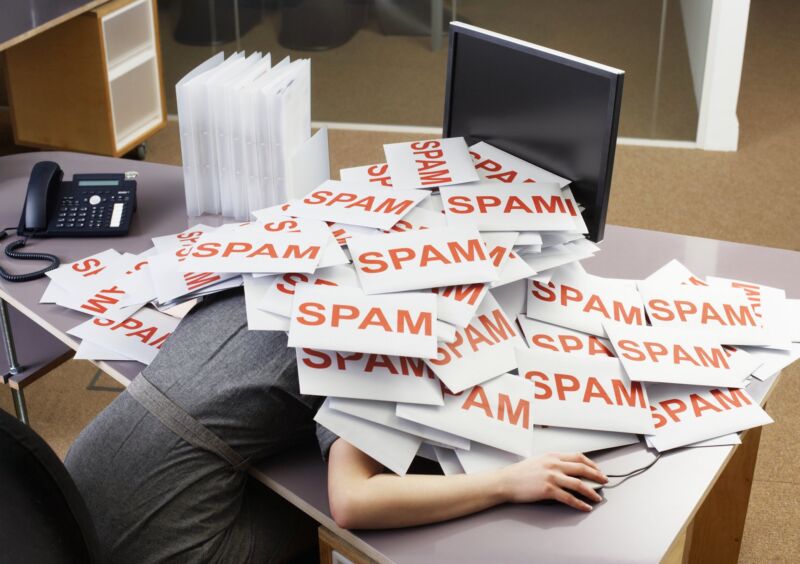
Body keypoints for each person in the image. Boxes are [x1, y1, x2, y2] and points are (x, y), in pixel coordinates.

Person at [65, 288, 607, 563]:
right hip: (168, 535)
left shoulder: (267, 271)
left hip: (73, 488)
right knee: (322, 523)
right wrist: (507, 483)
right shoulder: (362, 333)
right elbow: (354, 502)